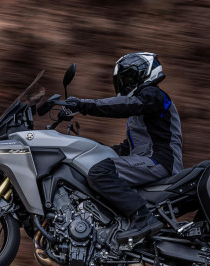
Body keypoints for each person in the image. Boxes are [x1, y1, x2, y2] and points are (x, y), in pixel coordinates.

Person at [66, 52, 183, 242]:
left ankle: (143, 218)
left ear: (143, 74)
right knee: (96, 167)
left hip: (160, 161)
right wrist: (91, 149)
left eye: (128, 78)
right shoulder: (143, 110)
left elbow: (126, 105)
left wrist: (83, 105)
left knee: (101, 173)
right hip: (148, 160)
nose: (124, 83)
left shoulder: (154, 95)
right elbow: (128, 148)